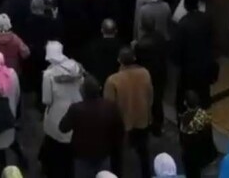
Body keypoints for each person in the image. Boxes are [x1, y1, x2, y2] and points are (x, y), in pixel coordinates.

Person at [59, 75, 123, 178]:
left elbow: (63, 128)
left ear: (83, 92)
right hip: (104, 153)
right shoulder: (110, 106)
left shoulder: (76, 109)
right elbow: (119, 130)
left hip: (82, 155)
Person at [104, 47, 153, 178]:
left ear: (119, 60)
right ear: (135, 58)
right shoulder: (145, 73)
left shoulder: (112, 80)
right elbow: (150, 96)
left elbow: (109, 107)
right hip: (142, 119)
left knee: (117, 156)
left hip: (122, 123)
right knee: (143, 152)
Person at [40, 41, 84, 178]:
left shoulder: (48, 74)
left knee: (56, 150)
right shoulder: (76, 67)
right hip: (77, 112)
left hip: (57, 116)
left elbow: (46, 100)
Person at [0, 52, 28, 171]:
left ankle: (3, 168)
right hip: (11, 114)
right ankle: (23, 159)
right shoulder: (12, 74)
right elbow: (18, 93)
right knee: (12, 140)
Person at [173, 0, 214, 115]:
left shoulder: (183, 24)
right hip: (205, 64)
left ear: (185, 6)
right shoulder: (206, 19)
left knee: (185, 94)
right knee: (203, 93)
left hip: (189, 68)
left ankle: (185, 117)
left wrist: (177, 62)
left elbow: (178, 48)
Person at [135, 15, 169, 136]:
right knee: (158, 100)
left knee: (146, 100)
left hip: (147, 76)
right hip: (161, 72)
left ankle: (147, 123)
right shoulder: (160, 37)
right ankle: (158, 125)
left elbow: (137, 62)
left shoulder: (141, 44)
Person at [178, 91, 217, 178]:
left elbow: (183, 140)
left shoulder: (184, 119)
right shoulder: (204, 115)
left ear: (185, 103)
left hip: (191, 157)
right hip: (204, 153)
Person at [82, 19, 124, 88]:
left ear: (102, 30)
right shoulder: (122, 47)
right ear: (116, 31)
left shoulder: (92, 46)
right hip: (118, 84)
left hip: (98, 84)